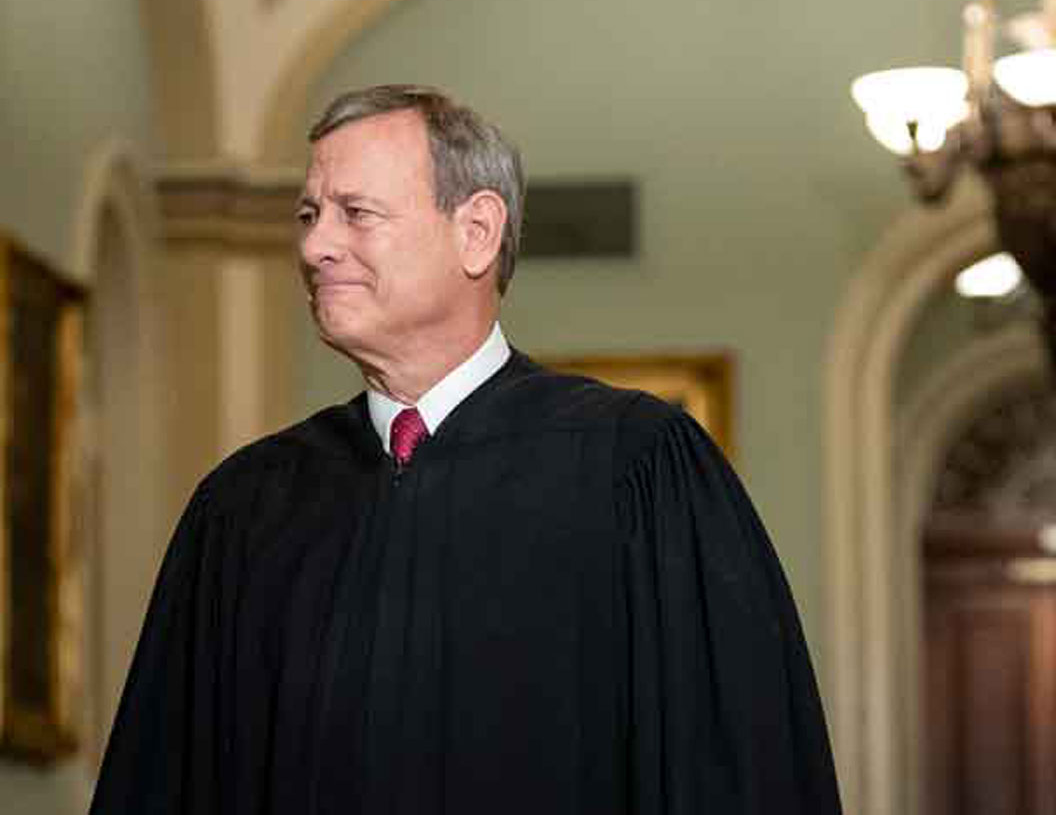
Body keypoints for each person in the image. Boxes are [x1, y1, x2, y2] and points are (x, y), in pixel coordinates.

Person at [90, 85, 842, 814]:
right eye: (310, 214)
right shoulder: (248, 505)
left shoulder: (634, 467)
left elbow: (736, 769)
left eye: (357, 214)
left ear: (477, 231)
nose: (317, 246)